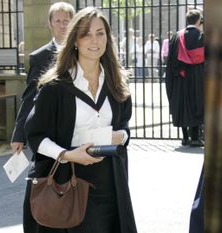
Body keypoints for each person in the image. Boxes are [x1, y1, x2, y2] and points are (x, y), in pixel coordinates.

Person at [23, 7, 137, 233]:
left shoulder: (116, 83)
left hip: (110, 182)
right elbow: (35, 136)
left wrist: (121, 136)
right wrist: (66, 155)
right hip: (68, 181)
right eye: (86, 34)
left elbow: (124, 126)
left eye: (100, 33)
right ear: (75, 39)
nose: (94, 40)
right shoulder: (55, 87)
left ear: (108, 37)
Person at [10, 2, 75, 154]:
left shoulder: (84, 52)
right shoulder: (39, 57)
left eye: (66, 21)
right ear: (50, 24)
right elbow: (30, 96)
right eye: (57, 21)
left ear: (73, 23)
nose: (62, 25)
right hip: (50, 131)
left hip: (79, 128)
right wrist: (19, 134)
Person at [165, 9, 204, 147]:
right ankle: (195, 138)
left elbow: (170, 61)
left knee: (182, 106)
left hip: (180, 78)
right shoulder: (201, 36)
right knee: (196, 104)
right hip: (196, 78)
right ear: (199, 20)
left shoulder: (176, 37)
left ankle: (185, 137)